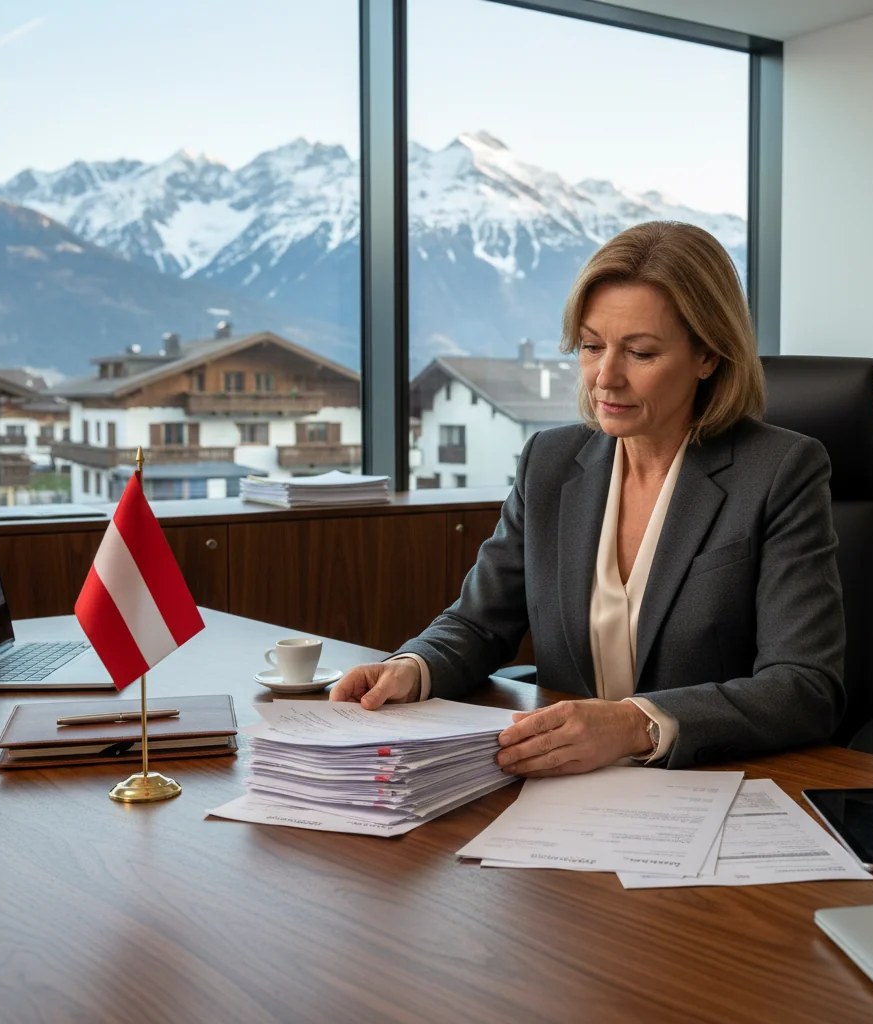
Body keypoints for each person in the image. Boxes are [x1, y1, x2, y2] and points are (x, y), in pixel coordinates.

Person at [331, 220, 846, 775]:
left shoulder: (779, 471)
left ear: (709, 356)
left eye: (641, 353)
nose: (605, 378)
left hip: (712, 785)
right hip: (564, 791)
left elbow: (804, 685)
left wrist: (635, 724)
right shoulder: (549, 464)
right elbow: (479, 623)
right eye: (591, 346)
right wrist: (415, 665)